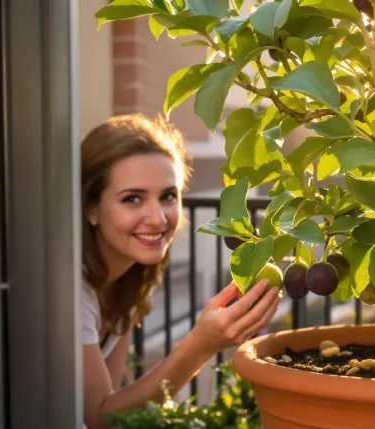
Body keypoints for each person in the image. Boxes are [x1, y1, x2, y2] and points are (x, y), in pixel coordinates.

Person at [80, 114, 282, 429]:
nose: (158, 218)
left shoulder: (131, 277)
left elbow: (113, 404)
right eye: (132, 199)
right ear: (91, 209)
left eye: (167, 196)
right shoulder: (73, 292)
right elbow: (99, 418)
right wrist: (200, 346)